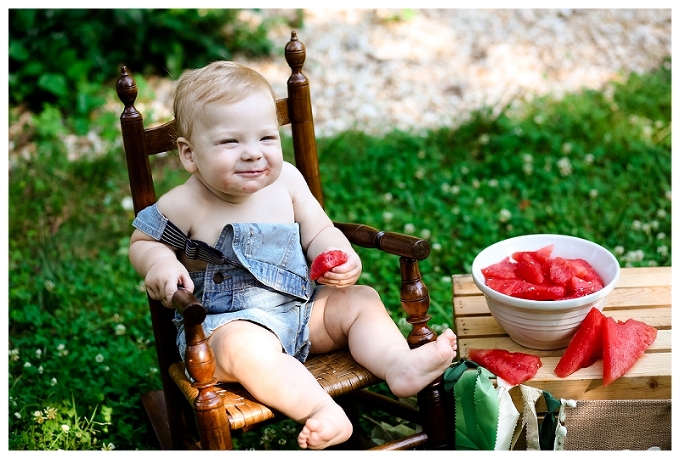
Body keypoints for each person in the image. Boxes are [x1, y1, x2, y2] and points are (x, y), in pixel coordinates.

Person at [129, 60, 457, 450]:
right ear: (189, 154)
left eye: (266, 138)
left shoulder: (286, 180)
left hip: (301, 313)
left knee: (360, 300)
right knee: (244, 347)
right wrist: (162, 262)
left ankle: (399, 366)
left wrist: (336, 252)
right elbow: (143, 242)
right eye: (230, 142)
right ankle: (319, 409)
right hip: (226, 326)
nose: (253, 154)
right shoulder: (185, 203)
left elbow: (320, 229)